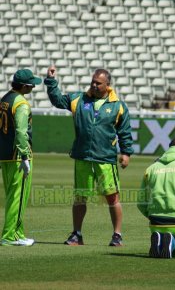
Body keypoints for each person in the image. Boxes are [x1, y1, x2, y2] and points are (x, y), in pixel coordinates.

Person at [44, 66, 133, 246]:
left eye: (98, 83)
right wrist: (52, 82)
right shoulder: (79, 99)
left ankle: (117, 235)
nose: (93, 85)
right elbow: (57, 100)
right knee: (80, 197)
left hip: (105, 159)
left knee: (112, 197)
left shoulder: (118, 106)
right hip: (83, 157)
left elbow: (124, 132)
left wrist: (126, 153)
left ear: (107, 85)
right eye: (92, 82)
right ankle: (77, 234)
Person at [0, 69, 42, 246]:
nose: (33, 87)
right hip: (17, 156)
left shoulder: (5, 99)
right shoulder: (21, 103)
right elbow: (21, 132)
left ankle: (18, 233)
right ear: (25, 86)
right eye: (31, 84)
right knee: (18, 197)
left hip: (4, 155)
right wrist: (25, 156)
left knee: (13, 196)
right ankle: (10, 236)